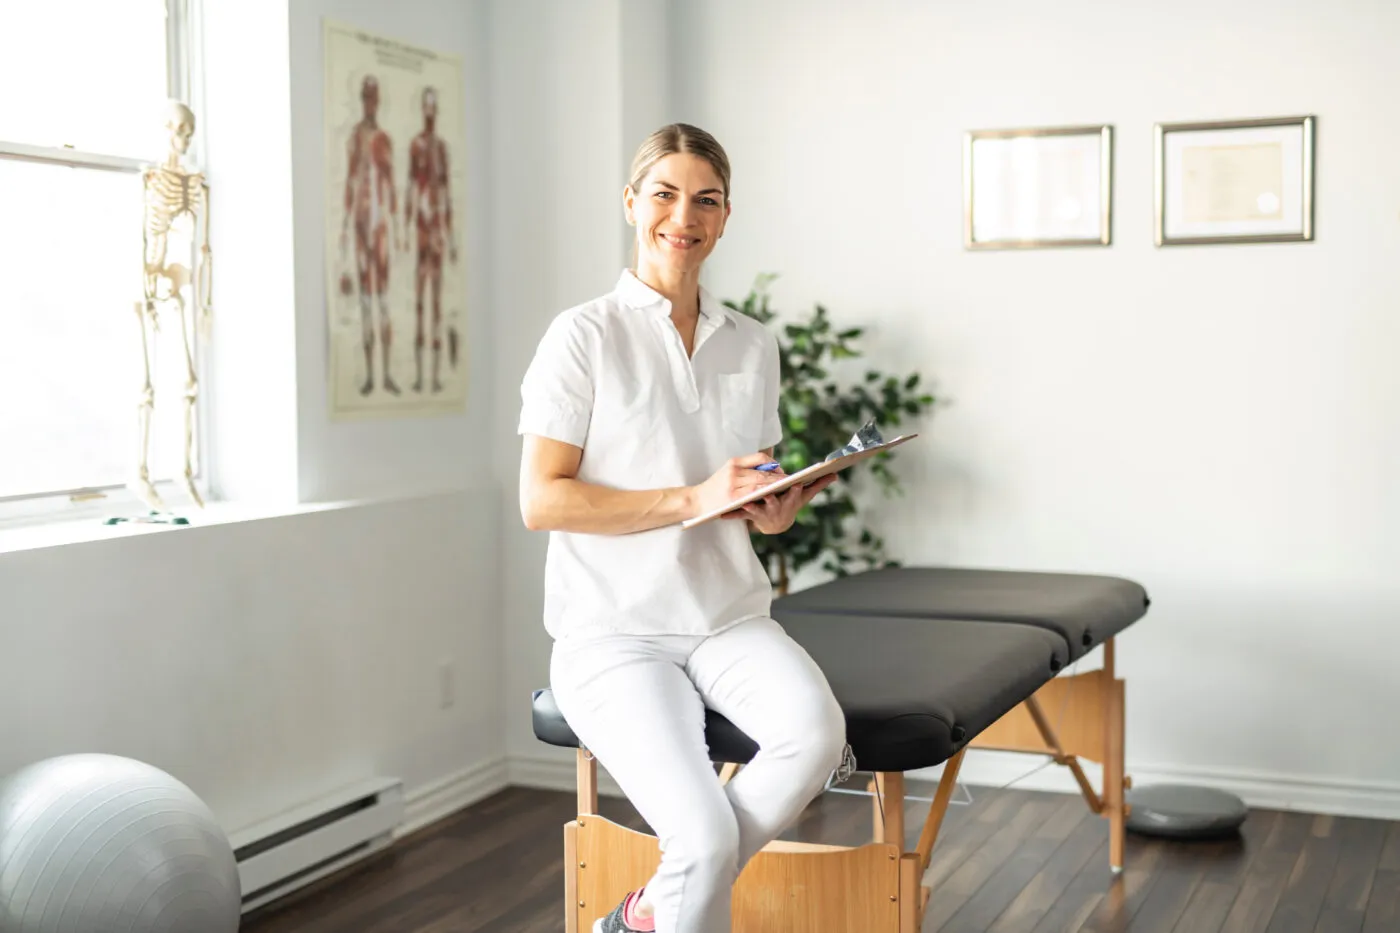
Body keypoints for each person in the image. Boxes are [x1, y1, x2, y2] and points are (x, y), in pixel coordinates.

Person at [517, 123, 849, 933]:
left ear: (726, 216)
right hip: (613, 632)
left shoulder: (753, 344)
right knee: (699, 836)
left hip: (727, 615)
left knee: (817, 734)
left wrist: (775, 505)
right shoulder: (583, 335)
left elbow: (745, 483)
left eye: (705, 199)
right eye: (664, 194)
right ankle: (671, 897)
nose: (683, 216)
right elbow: (543, 501)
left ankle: (643, 913)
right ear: (633, 204)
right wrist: (691, 497)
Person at [340, 74, 401, 396]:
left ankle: (387, 373)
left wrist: (399, 231)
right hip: (362, 226)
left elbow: (391, 186)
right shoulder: (355, 138)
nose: (370, 102)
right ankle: (368, 375)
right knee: (366, 302)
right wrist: (344, 234)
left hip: (380, 230)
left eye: (373, 97)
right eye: (366, 97)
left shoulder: (384, 140)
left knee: (384, 302)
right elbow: (351, 182)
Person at [404, 85, 456, 394]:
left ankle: (433, 378)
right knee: (421, 303)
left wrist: (449, 238)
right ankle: (419, 376)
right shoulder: (416, 146)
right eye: (427, 106)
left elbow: (447, 193)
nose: (430, 112)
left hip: (436, 231)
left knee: (435, 303)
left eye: (433, 106)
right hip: (422, 228)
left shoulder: (441, 149)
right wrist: (407, 227)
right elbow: (411, 185)